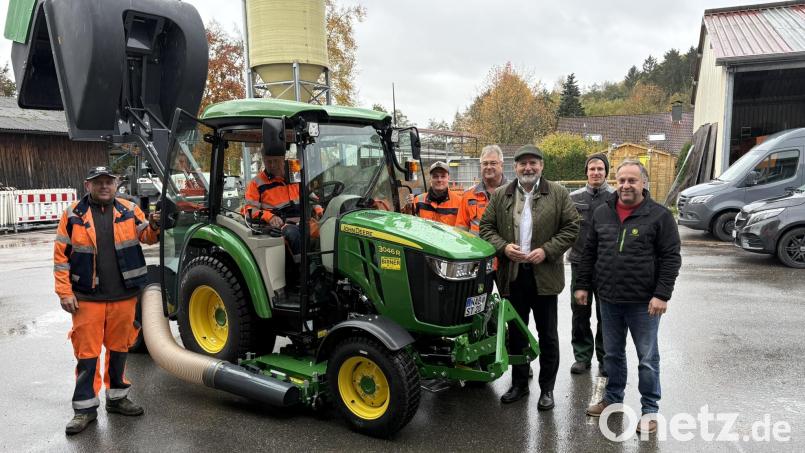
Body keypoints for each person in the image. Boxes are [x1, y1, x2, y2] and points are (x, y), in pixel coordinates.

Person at [575, 160, 681, 435]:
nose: (625, 186)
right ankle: (613, 399)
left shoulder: (659, 216)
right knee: (612, 354)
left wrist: (661, 294)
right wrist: (583, 285)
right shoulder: (602, 212)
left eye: (632, 180)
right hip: (609, 299)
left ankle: (649, 411)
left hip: (644, 303)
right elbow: (589, 252)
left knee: (647, 358)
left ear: (644, 183)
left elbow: (671, 258)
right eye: (621, 180)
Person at [54, 166, 160, 435]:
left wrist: (156, 223)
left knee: (120, 349)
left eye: (109, 182)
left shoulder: (129, 209)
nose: (104, 186)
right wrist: (65, 292)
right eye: (98, 182)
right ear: (87, 186)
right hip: (87, 297)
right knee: (87, 354)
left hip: (124, 295)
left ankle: (117, 398)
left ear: (116, 184)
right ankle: (84, 410)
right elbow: (61, 258)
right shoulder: (72, 215)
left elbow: (148, 237)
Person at [479, 145, 579, 409]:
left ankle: (547, 389)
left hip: (544, 276)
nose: (528, 168)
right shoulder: (502, 195)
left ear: (542, 166)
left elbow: (572, 227)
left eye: (533, 163)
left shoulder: (557, 193)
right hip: (512, 276)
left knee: (547, 336)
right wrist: (503, 247)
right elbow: (485, 227)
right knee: (517, 335)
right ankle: (520, 384)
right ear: (515, 168)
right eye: (523, 164)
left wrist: (546, 251)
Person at [567, 153, 614, 376]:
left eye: (600, 169)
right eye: (592, 169)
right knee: (580, 311)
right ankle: (582, 356)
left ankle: (606, 358)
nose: (596, 173)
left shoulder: (616, 197)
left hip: (607, 266)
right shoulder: (573, 198)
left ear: (606, 172)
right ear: (586, 172)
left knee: (606, 313)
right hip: (579, 263)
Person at [242, 150, 302, 264]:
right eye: (268, 161)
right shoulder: (256, 183)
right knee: (294, 234)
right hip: (282, 224)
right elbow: (249, 209)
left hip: (304, 220)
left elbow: (311, 195)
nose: (272, 165)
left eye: (276, 161)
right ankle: (302, 270)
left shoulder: (296, 172)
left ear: (283, 158)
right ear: (263, 160)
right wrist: (270, 217)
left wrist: (318, 209)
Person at [455, 145, 507, 235]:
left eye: (493, 163)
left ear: (501, 165)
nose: (488, 167)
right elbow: (461, 230)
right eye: (485, 163)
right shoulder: (468, 195)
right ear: (481, 166)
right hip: (477, 248)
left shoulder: (514, 192)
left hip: (505, 248)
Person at [407, 161, 462, 226]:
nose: (439, 180)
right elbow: (408, 223)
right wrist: (408, 207)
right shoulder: (418, 200)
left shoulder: (460, 202)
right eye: (435, 176)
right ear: (430, 179)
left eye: (443, 176)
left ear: (448, 178)